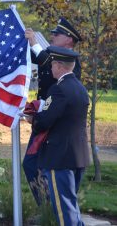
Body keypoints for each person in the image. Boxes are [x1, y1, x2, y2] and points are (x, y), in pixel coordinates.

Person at [23, 17, 83, 205]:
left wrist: (34, 42)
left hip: (56, 123)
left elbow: (46, 62)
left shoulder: (71, 62)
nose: (52, 36)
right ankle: (48, 205)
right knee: (32, 164)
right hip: (44, 117)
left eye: (57, 35)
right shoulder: (50, 54)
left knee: (45, 165)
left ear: (69, 40)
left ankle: (54, 206)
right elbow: (33, 55)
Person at [30, 46, 90, 225]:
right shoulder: (80, 88)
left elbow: (44, 122)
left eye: (53, 65)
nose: (51, 69)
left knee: (64, 210)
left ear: (59, 66)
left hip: (59, 156)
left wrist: (32, 119)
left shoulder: (59, 89)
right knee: (71, 205)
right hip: (78, 154)